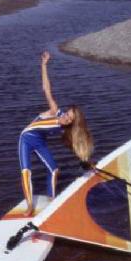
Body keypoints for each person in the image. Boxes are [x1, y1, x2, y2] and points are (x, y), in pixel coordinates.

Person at [18, 51, 93, 215]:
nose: (66, 117)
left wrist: (86, 162)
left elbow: (75, 145)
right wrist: (44, 65)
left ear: (73, 122)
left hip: (39, 142)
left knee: (54, 170)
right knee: (26, 171)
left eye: (70, 118)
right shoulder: (55, 111)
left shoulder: (65, 130)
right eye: (67, 114)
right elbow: (46, 89)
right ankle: (30, 206)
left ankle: (52, 199)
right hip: (25, 138)